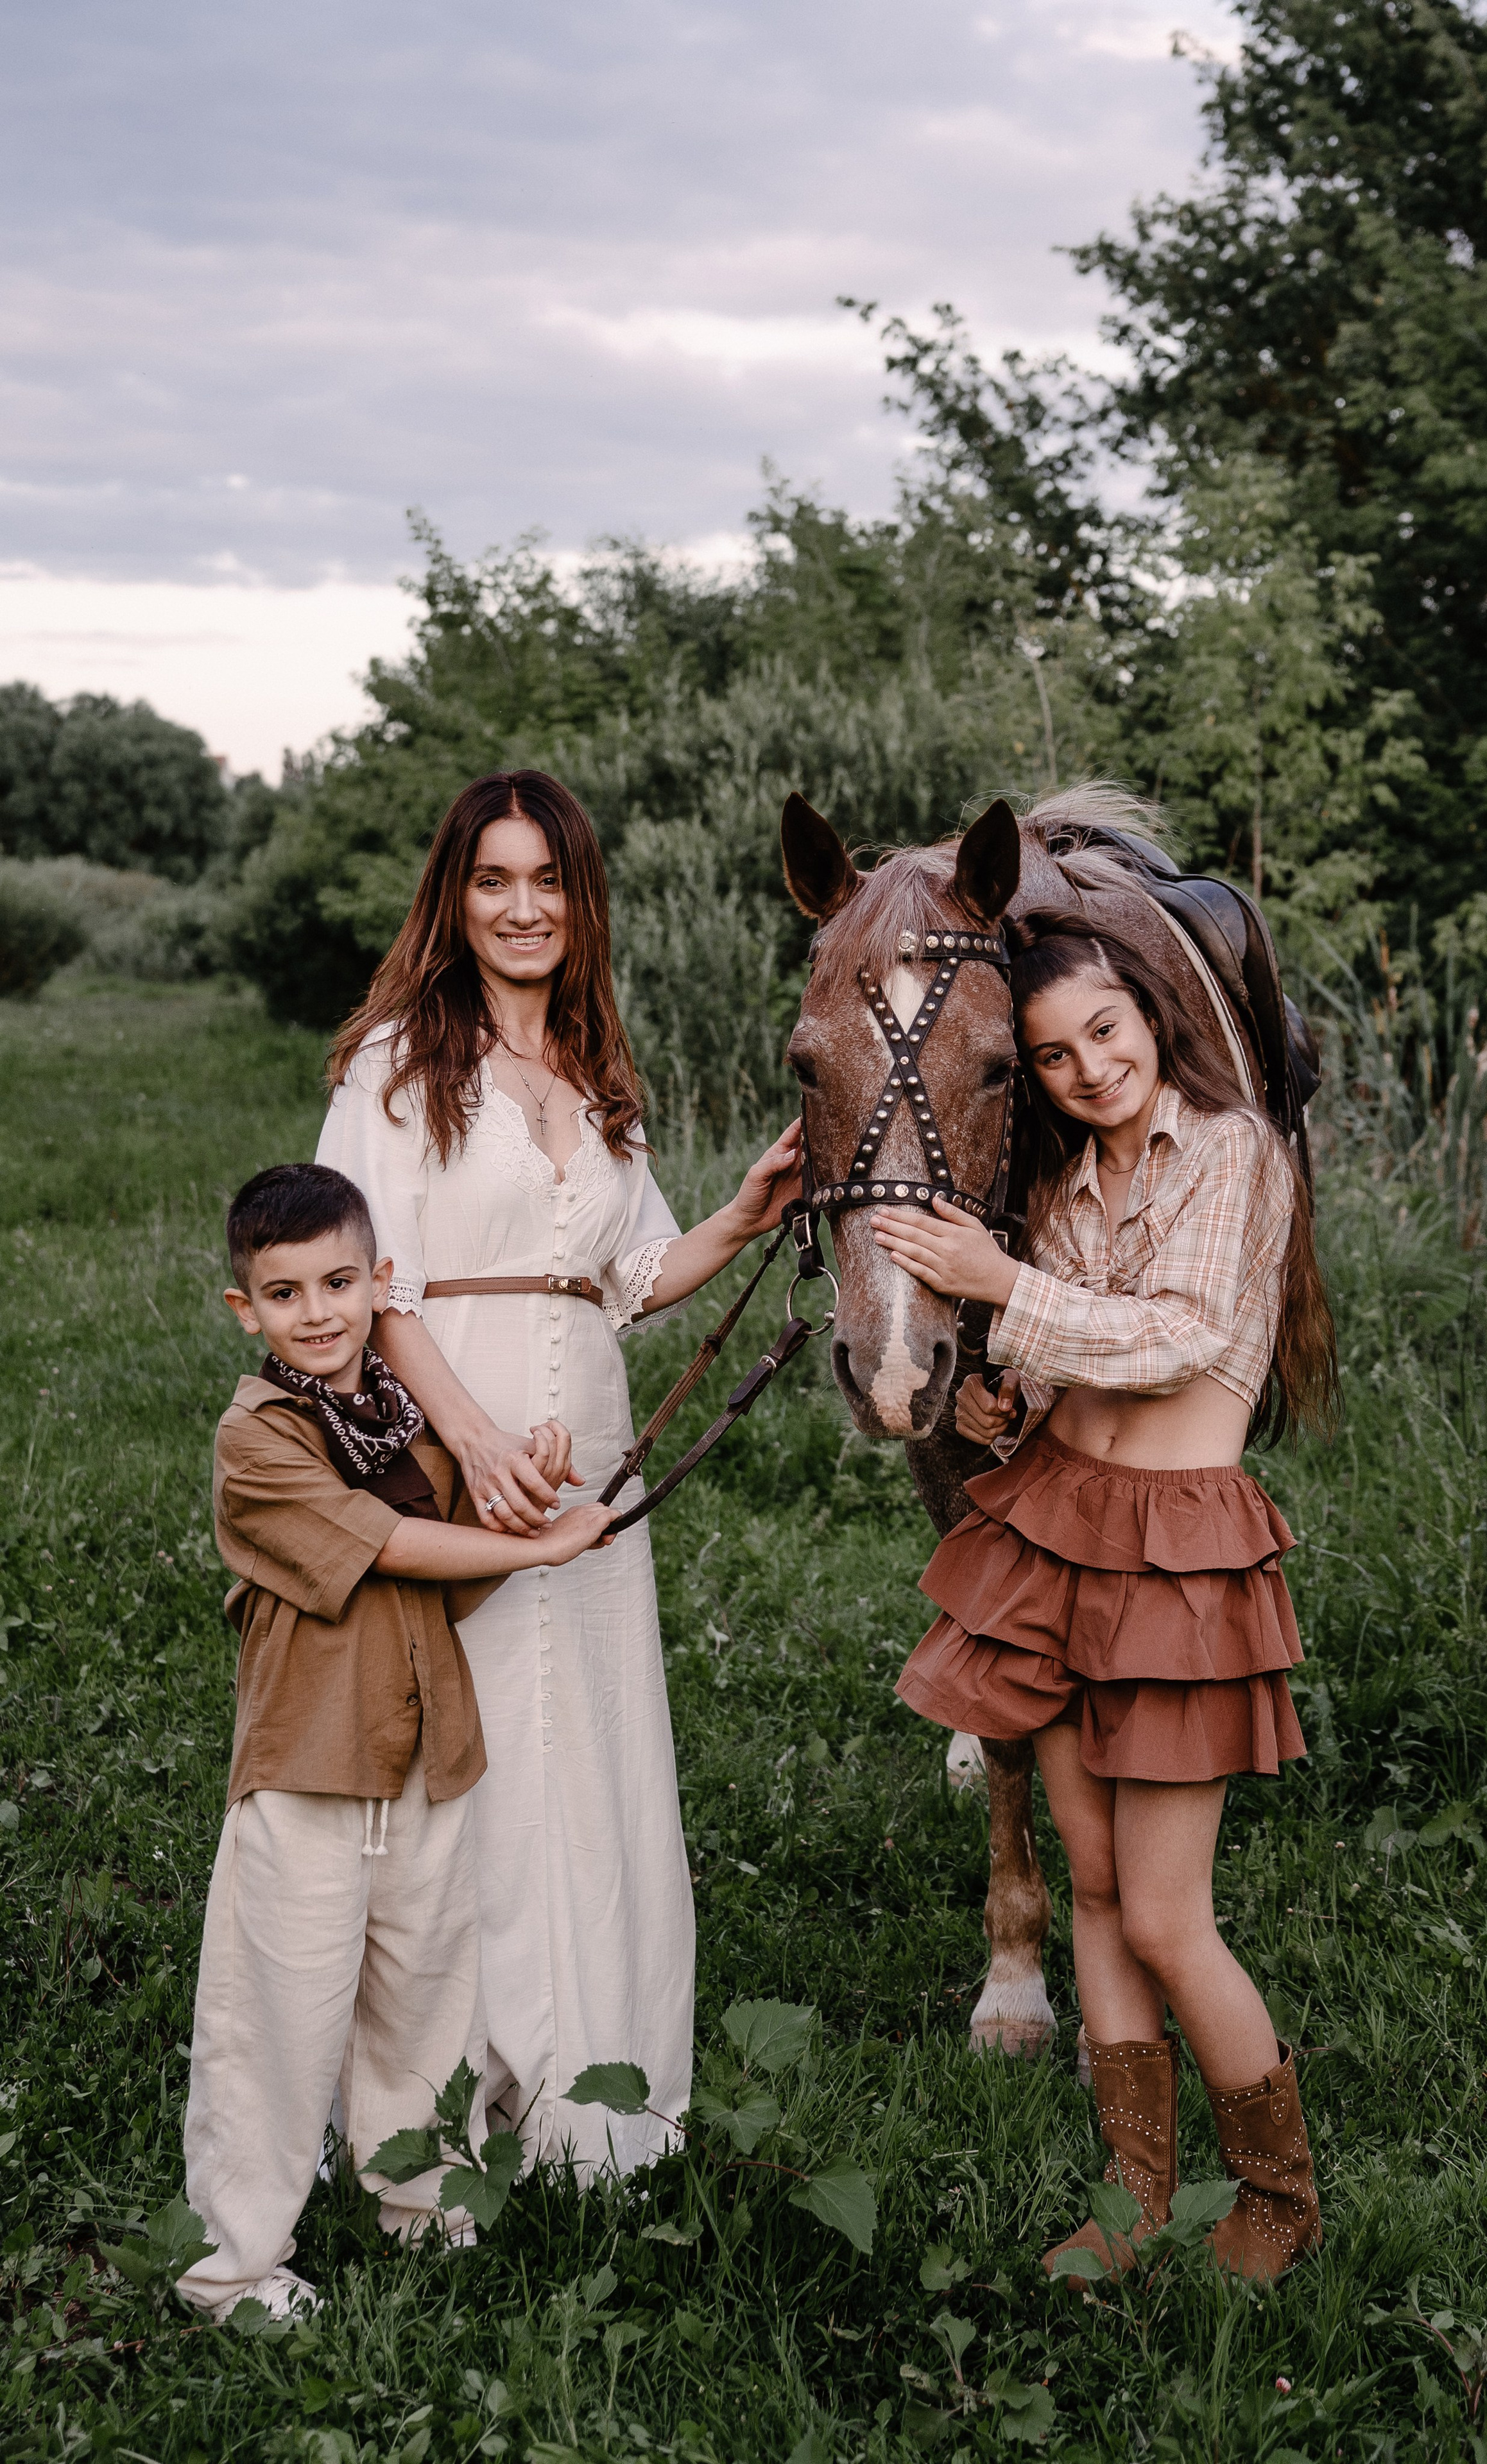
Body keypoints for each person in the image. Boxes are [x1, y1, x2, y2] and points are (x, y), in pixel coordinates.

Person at [316, 769, 799, 2178]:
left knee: (584, 1750)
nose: (523, 908)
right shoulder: (396, 1065)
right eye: (494, 881)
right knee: (459, 1752)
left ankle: (590, 2101)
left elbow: (626, 1279)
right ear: (454, 900)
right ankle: (434, 2107)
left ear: (581, 900)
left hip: (585, 1452)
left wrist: (741, 1214)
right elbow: (369, 1282)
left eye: (547, 881)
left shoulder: (597, 1077)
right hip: (443, 1439)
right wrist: (469, 1438)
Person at [874, 910, 1339, 2284]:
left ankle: (1279, 2198)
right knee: (1089, 1883)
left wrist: (1004, 1288)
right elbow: (1068, 1359)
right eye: (1053, 1055)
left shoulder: (1236, 1151)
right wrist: (1003, 1389)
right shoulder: (1069, 1186)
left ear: (1147, 1013)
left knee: (1165, 1915)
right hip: (1059, 1523)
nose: (1088, 1068)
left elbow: (1184, 1337)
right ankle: (1135, 2200)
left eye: (1103, 1031)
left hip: (1180, 1554)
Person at [178, 1162, 613, 2324]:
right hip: (311, 1768)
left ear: (378, 1283)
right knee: (274, 2021)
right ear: (247, 1311)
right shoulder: (258, 1437)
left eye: (338, 1283)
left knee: (427, 2008)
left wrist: (526, 1489)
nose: (317, 1312)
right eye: (284, 1294)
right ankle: (233, 2268)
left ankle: (425, 2213)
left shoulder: (402, 1426)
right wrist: (543, 1548)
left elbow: (450, 1579)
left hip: (427, 1758)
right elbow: (386, 1549)